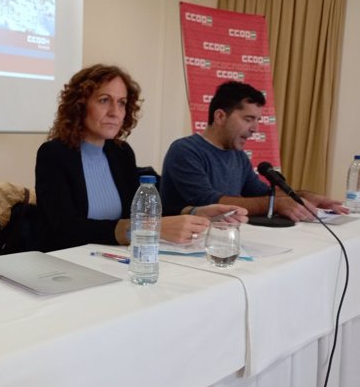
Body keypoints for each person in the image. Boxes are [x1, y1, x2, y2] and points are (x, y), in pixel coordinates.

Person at [35, 64, 247, 252]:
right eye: (104, 100)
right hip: (67, 261)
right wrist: (147, 227)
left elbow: (137, 209)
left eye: (121, 103)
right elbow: (66, 229)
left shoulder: (120, 152)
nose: (114, 112)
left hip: (112, 258)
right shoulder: (53, 154)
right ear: (79, 106)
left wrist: (197, 212)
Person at [160, 81, 347, 221]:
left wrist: (306, 197)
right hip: (184, 246)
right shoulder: (185, 151)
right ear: (220, 116)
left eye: (257, 120)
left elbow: (262, 193)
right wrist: (275, 205)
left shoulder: (238, 155)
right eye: (248, 119)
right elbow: (208, 202)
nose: (255, 128)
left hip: (224, 237)